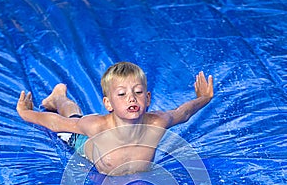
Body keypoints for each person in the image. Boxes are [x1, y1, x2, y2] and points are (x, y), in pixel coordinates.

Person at [17, 61, 213, 175]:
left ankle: (59, 97)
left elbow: (183, 113)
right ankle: (58, 98)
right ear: (108, 103)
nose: (131, 98)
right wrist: (27, 114)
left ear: (148, 98)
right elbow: (59, 123)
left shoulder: (157, 123)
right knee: (73, 118)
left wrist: (203, 99)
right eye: (121, 94)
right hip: (86, 146)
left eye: (137, 92)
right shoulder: (97, 126)